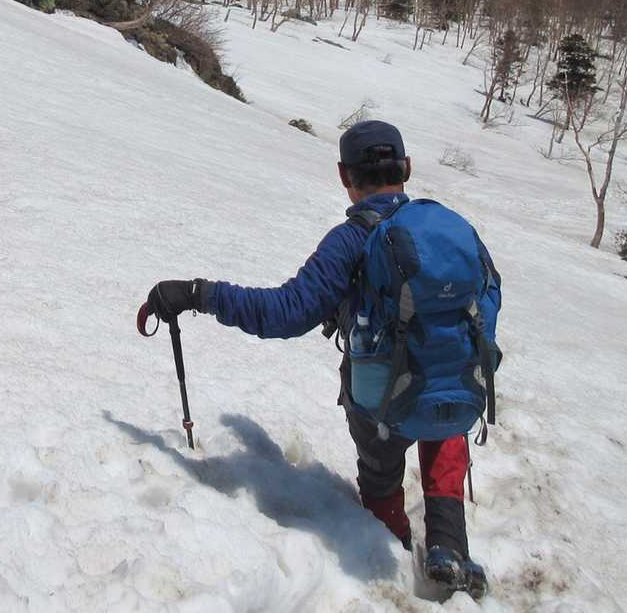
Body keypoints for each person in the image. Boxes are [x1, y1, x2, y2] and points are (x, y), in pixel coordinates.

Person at [144, 119, 499, 598]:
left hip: (379, 402)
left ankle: (391, 550)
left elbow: (286, 313)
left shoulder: (352, 240)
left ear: (343, 175)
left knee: (381, 473)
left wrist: (198, 294)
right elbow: (490, 297)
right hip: (455, 394)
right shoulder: (453, 231)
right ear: (408, 168)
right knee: (442, 417)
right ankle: (449, 547)